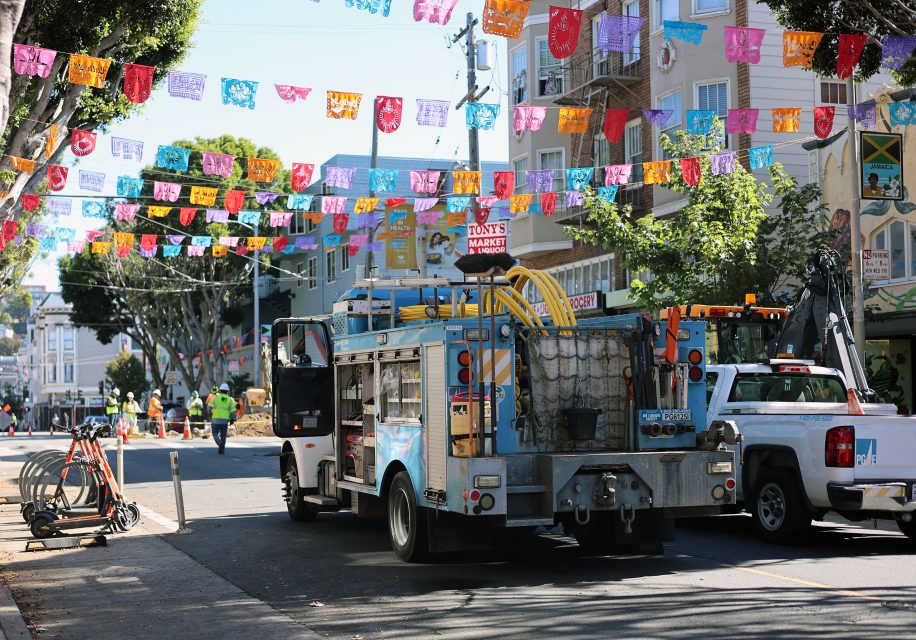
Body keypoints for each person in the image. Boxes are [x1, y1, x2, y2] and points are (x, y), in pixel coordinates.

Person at [207, 383, 235, 454]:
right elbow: (233, 411)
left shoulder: (215, 398)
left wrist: (209, 413)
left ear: (220, 390)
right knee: (223, 435)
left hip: (215, 419)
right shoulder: (230, 399)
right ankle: (222, 449)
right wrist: (232, 419)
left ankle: (220, 444)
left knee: (215, 433)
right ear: (227, 391)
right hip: (225, 420)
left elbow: (209, 407)